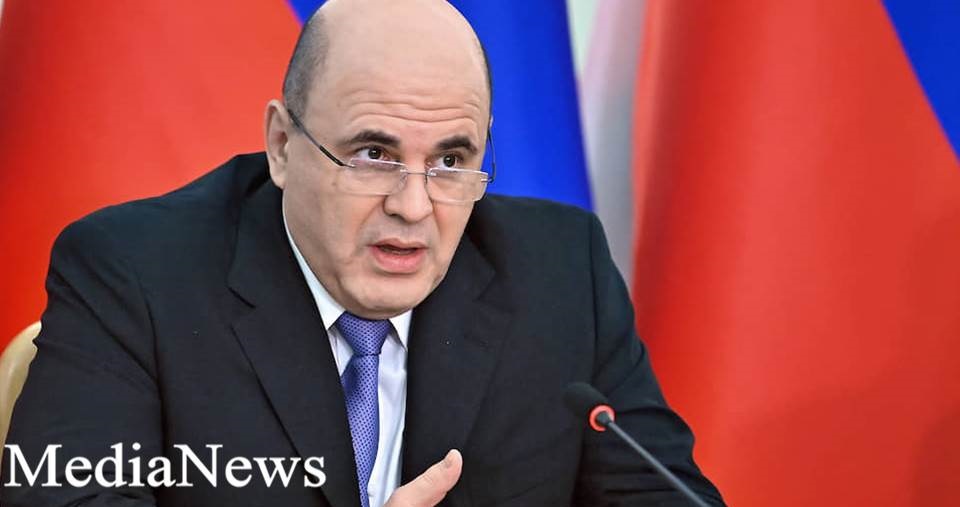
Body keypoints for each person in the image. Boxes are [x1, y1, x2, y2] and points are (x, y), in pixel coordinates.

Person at [1, 0, 724, 506]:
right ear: (282, 145)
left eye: (451, 161)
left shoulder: (560, 273)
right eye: (373, 154)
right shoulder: (133, 274)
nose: (413, 206)